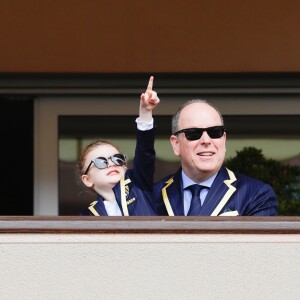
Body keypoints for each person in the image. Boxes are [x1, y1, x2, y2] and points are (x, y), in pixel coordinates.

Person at [152, 99, 278, 216]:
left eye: (215, 132)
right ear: (176, 144)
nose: (206, 140)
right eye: (194, 133)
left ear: (224, 140)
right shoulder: (153, 195)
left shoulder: (256, 194)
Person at [79, 76, 159, 216]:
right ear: (87, 180)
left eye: (117, 159)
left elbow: (145, 152)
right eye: (101, 162)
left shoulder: (137, 184)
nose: (111, 164)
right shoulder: (87, 216)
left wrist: (145, 113)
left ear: (125, 166)